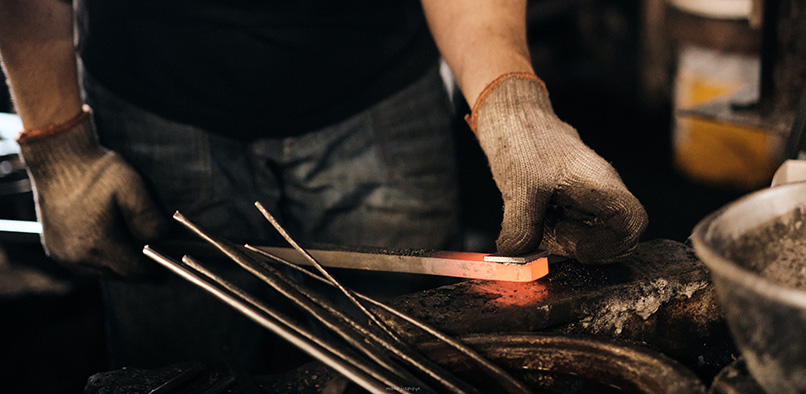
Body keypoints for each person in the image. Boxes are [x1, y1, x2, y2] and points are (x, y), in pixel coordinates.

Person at [0, 0, 648, 371]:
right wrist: (56, 142)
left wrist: (511, 100)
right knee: (177, 372)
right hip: (151, 100)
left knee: (403, 362)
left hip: (381, 90)